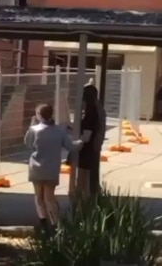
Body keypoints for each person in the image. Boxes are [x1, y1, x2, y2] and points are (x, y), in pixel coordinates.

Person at [24, 103, 83, 233]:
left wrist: (31, 126)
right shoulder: (59, 131)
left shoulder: (34, 130)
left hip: (36, 167)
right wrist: (82, 141)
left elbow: (28, 145)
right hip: (52, 168)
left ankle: (43, 223)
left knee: (38, 196)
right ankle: (56, 224)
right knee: (49, 197)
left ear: (38, 115)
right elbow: (71, 147)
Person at [76, 84, 106, 197]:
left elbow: (87, 134)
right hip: (95, 146)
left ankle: (88, 199)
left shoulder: (91, 112)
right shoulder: (97, 108)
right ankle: (92, 195)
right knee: (91, 175)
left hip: (90, 148)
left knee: (85, 177)